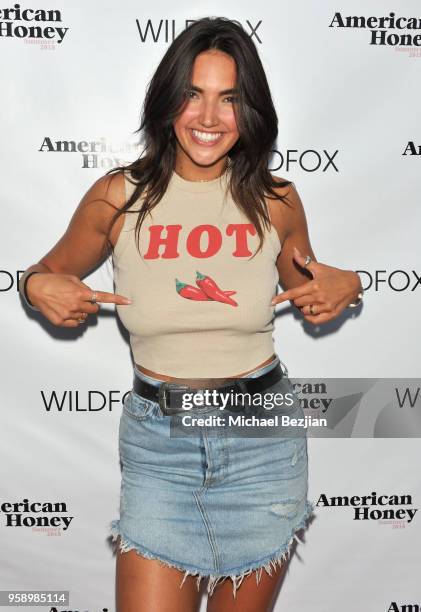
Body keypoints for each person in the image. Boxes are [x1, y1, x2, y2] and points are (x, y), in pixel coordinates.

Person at [19, 16, 363, 612]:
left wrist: (348, 283)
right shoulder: (116, 196)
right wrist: (37, 287)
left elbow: (311, 286)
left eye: (229, 98)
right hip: (160, 448)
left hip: (263, 437)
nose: (208, 118)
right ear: (166, 102)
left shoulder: (277, 200)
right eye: (193, 94)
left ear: (250, 109)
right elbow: (43, 274)